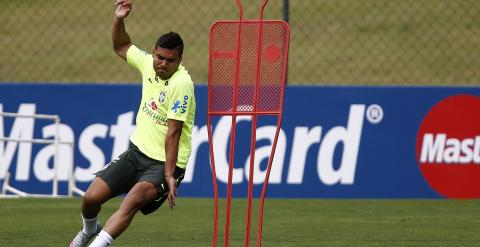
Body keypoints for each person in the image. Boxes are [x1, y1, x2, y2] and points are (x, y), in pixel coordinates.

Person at [69, 0, 196, 246]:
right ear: (154, 52)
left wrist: (169, 174)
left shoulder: (182, 84)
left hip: (165, 163)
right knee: (90, 198)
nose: (163, 64)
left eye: (171, 60)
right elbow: (121, 45)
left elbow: (174, 132)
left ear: (179, 59)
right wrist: (119, 18)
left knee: (132, 201)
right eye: (160, 57)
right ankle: (88, 231)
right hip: (137, 153)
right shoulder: (148, 63)